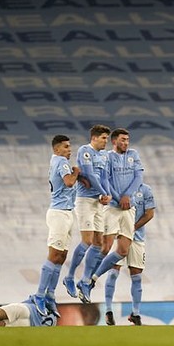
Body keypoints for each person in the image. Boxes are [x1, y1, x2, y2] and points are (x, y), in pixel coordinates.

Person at [77, 128, 143, 305]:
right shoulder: (107, 157)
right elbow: (104, 178)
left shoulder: (134, 154)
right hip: (113, 207)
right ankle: (84, 279)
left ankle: (92, 279)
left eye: (127, 140)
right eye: (122, 140)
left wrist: (127, 195)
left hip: (129, 207)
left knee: (122, 250)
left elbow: (138, 177)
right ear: (114, 141)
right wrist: (116, 197)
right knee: (104, 247)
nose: (126, 143)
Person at [32, 135, 81, 317]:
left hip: (67, 213)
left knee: (61, 256)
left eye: (70, 147)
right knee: (54, 255)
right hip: (59, 213)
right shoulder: (61, 162)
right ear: (57, 149)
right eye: (66, 147)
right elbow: (69, 182)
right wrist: (76, 172)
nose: (70, 150)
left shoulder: (58, 161)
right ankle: (39, 295)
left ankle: (51, 295)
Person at [63, 124, 111, 299]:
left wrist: (108, 194)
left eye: (107, 138)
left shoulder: (104, 155)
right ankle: (69, 277)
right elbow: (90, 175)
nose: (106, 141)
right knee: (87, 240)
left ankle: (84, 280)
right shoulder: (85, 151)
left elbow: (104, 176)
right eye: (104, 138)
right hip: (85, 201)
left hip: (98, 202)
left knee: (98, 243)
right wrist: (104, 192)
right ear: (94, 138)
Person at [102, 183, 156, 326]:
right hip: (118, 236)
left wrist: (132, 228)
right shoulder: (116, 187)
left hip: (137, 238)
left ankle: (136, 314)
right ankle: (108, 311)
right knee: (113, 273)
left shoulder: (145, 189)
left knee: (137, 277)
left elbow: (150, 213)